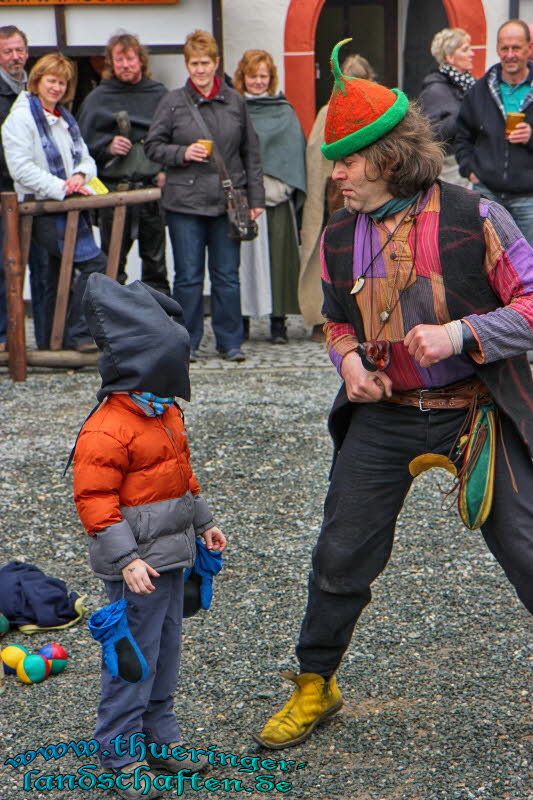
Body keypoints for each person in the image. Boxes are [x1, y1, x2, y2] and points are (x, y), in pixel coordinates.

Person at [254, 39, 533, 751]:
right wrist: (348, 363)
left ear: (386, 156)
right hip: (382, 417)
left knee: (529, 548)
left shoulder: (475, 215)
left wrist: (461, 334)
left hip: (475, 411)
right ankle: (317, 683)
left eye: (345, 159)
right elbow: (336, 322)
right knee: (340, 554)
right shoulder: (342, 237)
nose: (335, 172)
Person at [73, 272, 226, 800]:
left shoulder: (165, 414)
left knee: (164, 653)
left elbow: (183, 475)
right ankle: (118, 749)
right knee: (131, 659)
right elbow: (94, 503)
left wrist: (204, 523)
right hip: (139, 569)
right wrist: (126, 560)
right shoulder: (107, 428)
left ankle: (159, 736)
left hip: (173, 559)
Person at [144, 29, 264, 363]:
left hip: (228, 202)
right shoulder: (172, 102)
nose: (200, 69)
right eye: (194, 63)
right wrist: (183, 152)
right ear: (187, 64)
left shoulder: (235, 100)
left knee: (227, 276)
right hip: (185, 204)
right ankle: (188, 341)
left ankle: (230, 342)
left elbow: (251, 154)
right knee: (188, 278)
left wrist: (256, 200)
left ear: (216, 63)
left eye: (205, 63)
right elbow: (152, 147)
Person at [2, 53, 106, 351]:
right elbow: (21, 168)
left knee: (54, 275)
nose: (56, 87)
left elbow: (85, 157)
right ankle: (76, 335)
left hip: (63, 204)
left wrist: (79, 175)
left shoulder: (64, 117)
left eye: (62, 82)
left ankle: (53, 342)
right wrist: (63, 186)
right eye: (51, 80)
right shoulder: (20, 118)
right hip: (41, 208)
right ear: (37, 80)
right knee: (91, 265)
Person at [77, 32, 170, 295]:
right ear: (111, 63)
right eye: (119, 60)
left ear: (140, 60)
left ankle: (161, 330)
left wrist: (165, 169)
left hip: (151, 193)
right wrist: (107, 148)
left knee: (156, 267)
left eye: (130, 59)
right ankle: (114, 332)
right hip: (114, 194)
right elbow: (80, 146)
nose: (125, 65)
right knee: (112, 266)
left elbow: (173, 137)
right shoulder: (99, 98)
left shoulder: (159, 94)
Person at [298, 54, 376, 341]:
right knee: (336, 257)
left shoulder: (376, 112)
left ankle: (363, 315)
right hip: (335, 197)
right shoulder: (328, 112)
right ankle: (329, 317)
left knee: (367, 256)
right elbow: (316, 156)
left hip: (367, 197)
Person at [233, 49, 306, 344]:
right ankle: (243, 322)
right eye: (253, 76)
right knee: (241, 263)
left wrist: (283, 185)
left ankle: (279, 322)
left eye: (263, 76)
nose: (258, 82)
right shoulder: (234, 109)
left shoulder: (284, 110)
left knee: (279, 262)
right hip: (244, 199)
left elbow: (294, 151)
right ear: (243, 77)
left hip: (276, 199)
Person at [455, 19, 533, 245]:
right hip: (486, 194)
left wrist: (531, 136)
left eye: (516, 48)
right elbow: (462, 136)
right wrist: (469, 169)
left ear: (528, 48)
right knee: (486, 265)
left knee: (528, 268)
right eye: (504, 48)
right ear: (497, 49)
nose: (509, 54)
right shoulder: (479, 90)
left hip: (528, 199)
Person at [0, 25, 48, 351]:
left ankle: (46, 341)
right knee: (3, 269)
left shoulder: (38, 90)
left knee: (44, 268)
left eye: (19, 50)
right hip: (3, 192)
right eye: (7, 51)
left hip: (37, 192)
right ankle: (4, 338)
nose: (15, 57)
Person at [419, 27, 475, 186]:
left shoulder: (471, 85)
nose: (472, 53)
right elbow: (430, 134)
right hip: (451, 169)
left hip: (473, 162)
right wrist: (464, 115)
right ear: (450, 57)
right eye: (465, 50)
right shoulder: (435, 89)